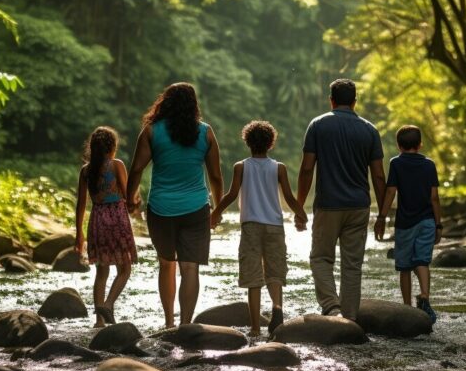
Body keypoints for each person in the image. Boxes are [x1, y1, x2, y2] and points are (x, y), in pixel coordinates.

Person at [127, 83, 223, 328]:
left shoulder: (151, 131)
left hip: (161, 209)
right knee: (190, 268)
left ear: (165, 102)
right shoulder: (206, 132)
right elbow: (215, 176)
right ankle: (186, 326)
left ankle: (169, 322)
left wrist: (131, 198)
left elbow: (137, 168)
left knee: (166, 264)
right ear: (194, 105)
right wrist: (218, 208)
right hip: (196, 208)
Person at [296, 78, 386, 321]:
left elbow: (306, 169)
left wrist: (299, 205)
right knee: (352, 265)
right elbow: (378, 175)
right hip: (359, 206)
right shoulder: (370, 130)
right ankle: (350, 318)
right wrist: (384, 214)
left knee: (321, 258)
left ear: (331, 100)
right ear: (355, 101)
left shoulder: (318, 125)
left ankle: (331, 307)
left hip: (328, 205)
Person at [211, 120, 308, 337]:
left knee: (253, 277)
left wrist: (216, 213)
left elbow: (232, 194)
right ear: (270, 143)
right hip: (275, 225)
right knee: (274, 272)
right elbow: (290, 198)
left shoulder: (241, 167)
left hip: (251, 226)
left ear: (247, 142)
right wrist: (301, 216)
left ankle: (255, 328)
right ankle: (277, 308)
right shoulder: (279, 168)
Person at [374, 125, 442, 322]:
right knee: (422, 261)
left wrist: (381, 217)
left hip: (405, 223)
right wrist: (439, 224)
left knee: (404, 266)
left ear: (398, 145)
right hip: (428, 221)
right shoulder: (429, 165)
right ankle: (425, 295)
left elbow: (391, 191)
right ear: (420, 144)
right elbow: (434, 197)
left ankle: (407, 308)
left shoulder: (396, 163)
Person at [74, 126, 137, 327]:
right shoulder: (117, 165)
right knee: (124, 269)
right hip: (117, 218)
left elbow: (81, 206)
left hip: (98, 220)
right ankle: (108, 304)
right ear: (112, 147)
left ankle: (99, 321)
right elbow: (128, 198)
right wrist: (137, 203)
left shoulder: (86, 171)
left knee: (101, 273)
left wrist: (79, 235)